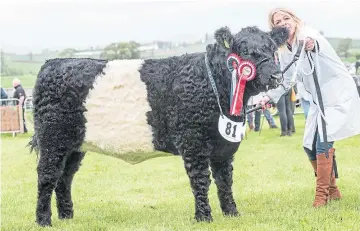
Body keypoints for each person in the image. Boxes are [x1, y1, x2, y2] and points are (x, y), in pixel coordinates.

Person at [257, 8, 360, 208]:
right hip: (317, 100)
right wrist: (268, 97)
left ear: (295, 20)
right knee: (309, 147)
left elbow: (315, 44)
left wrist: (311, 45)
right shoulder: (285, 49)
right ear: (275, 29)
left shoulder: (308, 35)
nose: (284, 23)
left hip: (335, 95)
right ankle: (333, 190)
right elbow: (286, 79)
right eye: (278, 22)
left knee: (323, 143)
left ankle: (321, 197)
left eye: (286, 18)